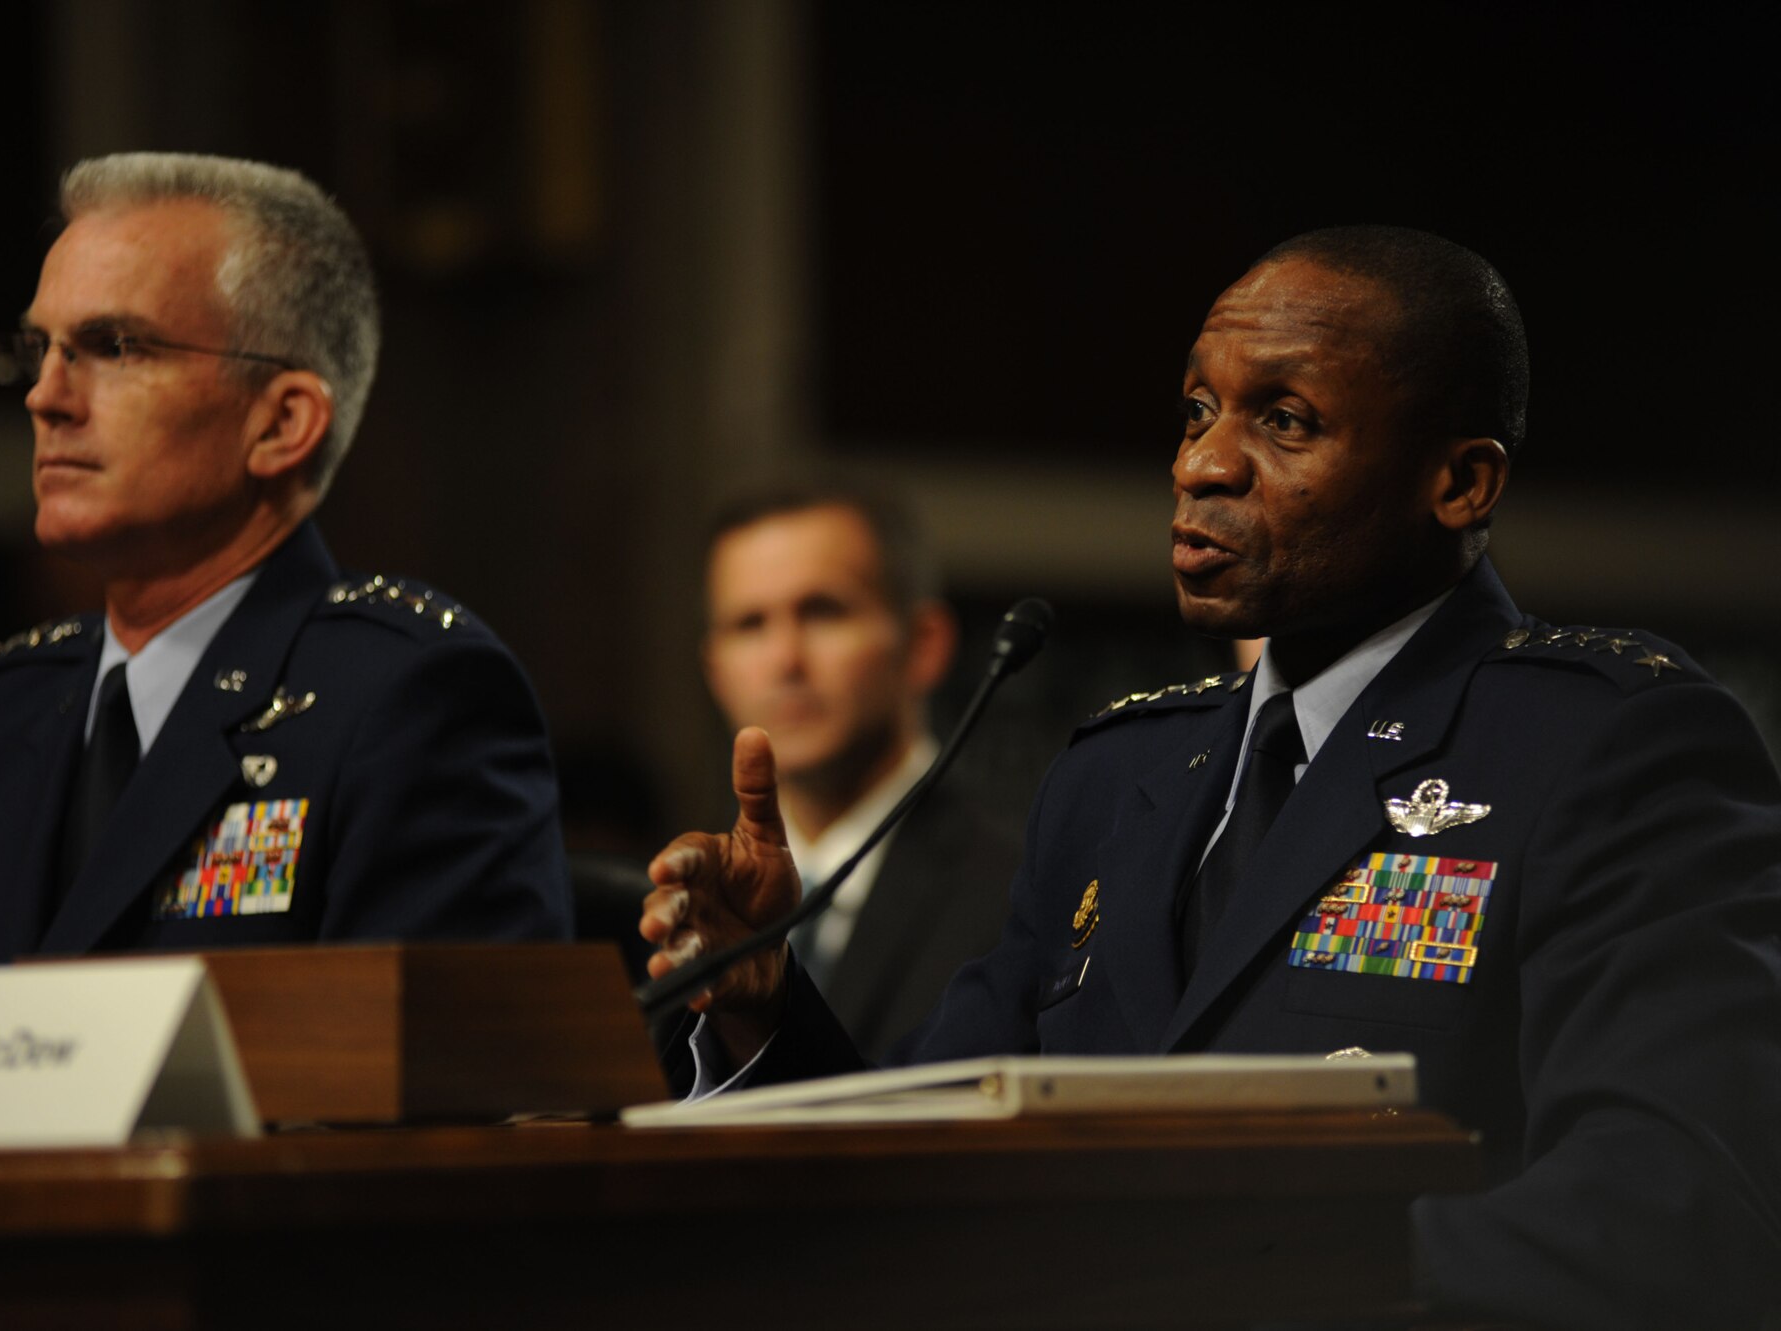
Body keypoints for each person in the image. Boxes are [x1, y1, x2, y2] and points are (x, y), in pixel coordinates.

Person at [640, 227, 1781, 1327]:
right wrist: (763, 1010)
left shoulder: (1602, 744)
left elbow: (1676, 1206)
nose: (1201, 464)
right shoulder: (1115, 775)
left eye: (1284, 420)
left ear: (1459, 482)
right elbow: (933, 1155)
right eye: (1195, 410)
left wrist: (1219, 1282)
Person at [0, 153, 570, 967]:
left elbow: (448, 1076)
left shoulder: (405, 701)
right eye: (38, 350)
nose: (44, 397)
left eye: (114, 345)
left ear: (281, 423)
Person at [700, 481, 1019, 1059]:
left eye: (823, 612)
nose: (785, 660)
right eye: (749, 624)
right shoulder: (686, 905)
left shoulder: (1024, 884)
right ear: (715, 670)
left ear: (924, 645)